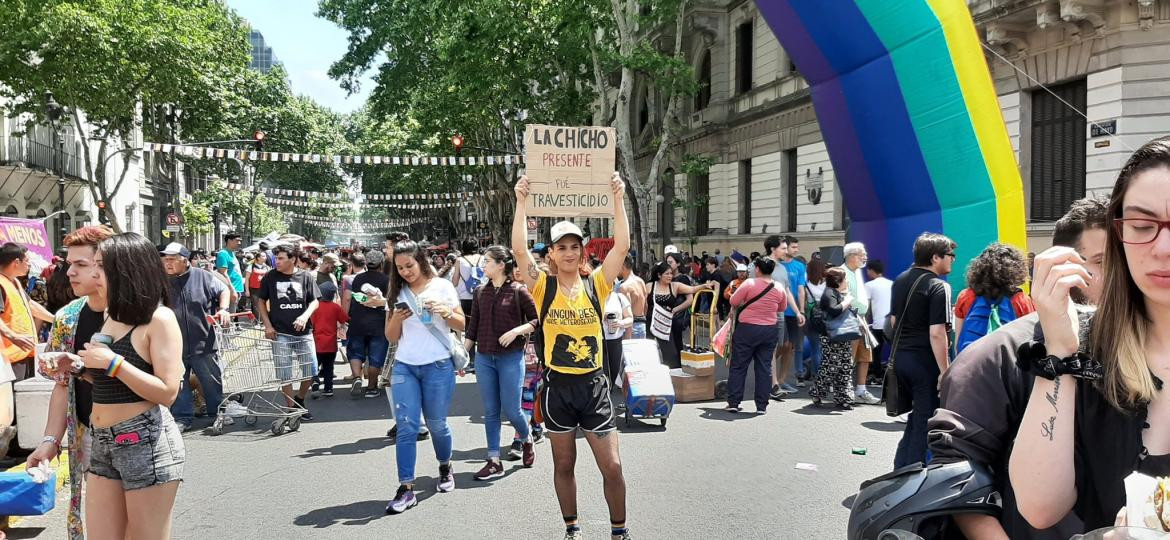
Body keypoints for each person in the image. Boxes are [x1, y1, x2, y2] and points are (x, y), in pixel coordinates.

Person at [1008, 138, 1170, 532]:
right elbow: (1039, 506)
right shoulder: (1085, 350)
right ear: (1118, 235)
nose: (1164, 248)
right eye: (1143, 225)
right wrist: (1060, 349)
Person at [927, 195, 1108, 539]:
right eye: (1102, 261)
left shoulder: (1139, 350)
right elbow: (956, 469)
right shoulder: (996, 355)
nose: (1122, 275)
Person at [512, 172, 634, 540]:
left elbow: (622, 248)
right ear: (550, 253)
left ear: (582, 251)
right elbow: (519, 251)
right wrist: (520, 200)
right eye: (561, 247)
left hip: (594, 386)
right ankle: (572, 527)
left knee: (612, 466)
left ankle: (620, 531)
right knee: (564, 464)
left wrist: (619, 197)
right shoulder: (543, 286)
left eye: (574, 246)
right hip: (558, 389)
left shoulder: (597, 283)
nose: (568, 252)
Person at [74, 233, 185, 539]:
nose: (95, 273)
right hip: (102, 441)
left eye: (101, 266)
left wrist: (113, 363)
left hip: (144, 440)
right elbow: (112, 382)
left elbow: (167, 391)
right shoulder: (110, 315)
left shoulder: (159, 318)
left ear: (127, 271)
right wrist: (79, 369)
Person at [25, 225, 114, 539]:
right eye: (67, 264)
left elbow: (163, 386)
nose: (69, 273)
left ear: (106, 263)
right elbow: (63, 385)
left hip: (137, 435)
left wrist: (87, 367)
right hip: (88, 433)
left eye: (80, 264)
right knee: (102, 524)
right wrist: (50, 441)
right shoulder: (67, 317)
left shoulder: (138, 312)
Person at [383, 240, 465, 514]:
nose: (405, 272)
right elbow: (391, 337)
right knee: (406, 427)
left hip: (438, 366)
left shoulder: (442, 286)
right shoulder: (397, 290)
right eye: (400, 268)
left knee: (437, 424)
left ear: (422, 260)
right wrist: (397, 318)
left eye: (409, 265)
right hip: (405, 366)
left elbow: (463, 323)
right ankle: (406, 488)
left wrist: (445, 312)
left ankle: (445, 465)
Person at [465, 245, 539, 479]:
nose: (483, 265)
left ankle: (526, 438)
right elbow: (472, 328)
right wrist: (463, 355)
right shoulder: (479, 292)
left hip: (511, 358)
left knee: (512, 409)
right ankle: (493, 459)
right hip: (485, 357)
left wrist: (517, 331)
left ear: (500, 265)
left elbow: (537, 320)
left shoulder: (518, 291)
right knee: (491, 411)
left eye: (487, 261)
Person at [889, 233, 955, 468]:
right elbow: (937, 332)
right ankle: (910, 475)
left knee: (916, 417)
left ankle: (901, 466)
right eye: (950, 255)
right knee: (926, 420)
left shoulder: (900, 279)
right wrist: (945, 370)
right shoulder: (940, 286)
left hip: (900, 358)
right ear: (935, 257)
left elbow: (894, 322)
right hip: (924, 361)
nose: (953, 260)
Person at [159, 242, 239, 432]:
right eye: (164, 259)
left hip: (203, 341)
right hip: (173, 344)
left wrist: (223, 309)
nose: (167, 263)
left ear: (184, 260)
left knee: (211, 380)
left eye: (171, 259)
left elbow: (224, 290)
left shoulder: (203, 276)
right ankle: (182, 417)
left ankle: (217, 412)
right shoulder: (160, 280)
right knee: (179, 383)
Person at [0, 242, 55, 457]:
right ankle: (11, 449)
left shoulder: (13, 283)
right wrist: (13, 336)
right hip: (10, 355)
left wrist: (57, 319)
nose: (29, 265)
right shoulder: (2, 284)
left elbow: (31, 306)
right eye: (27, 261)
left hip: (24, 353)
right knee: (10, 404)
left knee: (22, 401)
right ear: (16, 262)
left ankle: (19, 445)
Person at [255, 244, 321, 420]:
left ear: (292, 259)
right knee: (285, 373)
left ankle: (300, 399)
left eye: (282, 258)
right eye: (276, 258)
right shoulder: (270, 277)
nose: (277, 261)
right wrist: (267, 325)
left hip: (303, 332)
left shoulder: (305, 276)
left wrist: (305, 316)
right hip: (280, 332)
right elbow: (261, 301)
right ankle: (292, 409)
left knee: (311, 371)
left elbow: (315, 301)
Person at [724, 257, 788, 414]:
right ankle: (761, 405)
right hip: (769, 329)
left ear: (758, 269)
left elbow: (733, 300)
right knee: (764, 367)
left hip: (747, 329)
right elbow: (782, 307)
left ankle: (734, 402)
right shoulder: (778, 287)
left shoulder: (749, 283)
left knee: (739, 366)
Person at [953, 243, 1035, 355]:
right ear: (1015, 270)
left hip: (972, 364)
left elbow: (959, 339)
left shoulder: (965, 296)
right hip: (1007, 365)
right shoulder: (1021, 300)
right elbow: (1029, 336)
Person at [646, 261, 715, 369]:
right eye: (667, 274)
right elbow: (643, 304)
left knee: (671, 355)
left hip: (666, 325)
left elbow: (692, 289)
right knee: (649, 353)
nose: (670, 276)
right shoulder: (650, 286)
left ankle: (672, 379)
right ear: (659, 275)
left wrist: (703, 286)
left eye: (671, 273)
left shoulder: (675, 286)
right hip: (650, 323)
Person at [809, 267, 858, 409]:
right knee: (832, 366)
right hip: (830, 335)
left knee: (845, 365)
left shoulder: (836, 292)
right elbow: (834, 310)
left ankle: (844, 398)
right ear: (838, 281)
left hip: (841, 334)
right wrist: (847, 301)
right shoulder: (829, 293)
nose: (847, 282)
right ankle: (817, 391)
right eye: (844, 279)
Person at [346, 249, 391, 398]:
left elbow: (351, 299)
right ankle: (372, 387)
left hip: (358, 321)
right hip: (378, 323)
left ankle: (357, 377)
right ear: (381, 263)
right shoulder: (386, 280)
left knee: (355, 352)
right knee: (376, 356)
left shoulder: (358, 279)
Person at [839, 242, 878, 404]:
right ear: (852, 256)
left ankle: (861, 390)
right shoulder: (842, 272)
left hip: (862, 319)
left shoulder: (857, 271)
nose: (865, 257)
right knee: (849, 356)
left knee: (865, 355)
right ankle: (845, 390)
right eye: (862, 254)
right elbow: (841, 297)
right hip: (850, 319)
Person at [777, 236, 808, 393]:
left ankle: (782, 380)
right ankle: (768, 373)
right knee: (781, 345)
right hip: (779, 311)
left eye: (797, 247)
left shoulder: (799, 266)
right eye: (793, 247)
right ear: (785, 247)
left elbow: (801, 289)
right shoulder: (777, 265)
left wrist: (801, 310)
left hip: (794, 313)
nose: (796, 250)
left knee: (790, 347)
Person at [310, 282, 347, 397]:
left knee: (314, 365)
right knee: (328, 367)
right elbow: (344, 319)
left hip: (316, 342)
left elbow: (311, 322)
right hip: (331, 343)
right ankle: (328, 388)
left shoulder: (314, 306)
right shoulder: (335, 307)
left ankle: (315, 381)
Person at [801, 258, 828, 386]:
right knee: (824, 349)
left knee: (814, 348)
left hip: (810, 319)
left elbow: (804, 303)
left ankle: (816, 376)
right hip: (825, 319)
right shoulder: (827, 284)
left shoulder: (805, 285)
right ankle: (823, 376)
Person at [864, 260, 893, 375]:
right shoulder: (891, 283)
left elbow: (867, 307)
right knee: (894, 349)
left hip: (878, 323)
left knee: (876, 350)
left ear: (871, 270)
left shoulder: (869, 285)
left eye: (868, 270)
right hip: (891, 322)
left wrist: (865, 323)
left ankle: (877, 374)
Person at [618, 257, 648, 339]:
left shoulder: (624, 287)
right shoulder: (640, 281)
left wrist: (628, 337)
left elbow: (628, 315)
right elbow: (645, 306)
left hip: (631, 329)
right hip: (642, 325)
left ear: (623, 266)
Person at [216, 233, 245, 312]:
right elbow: (223, 273)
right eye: (237, 241)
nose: (239, 243)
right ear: (229, 240)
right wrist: (232, 290)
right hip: (230, 290)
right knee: (228, 316)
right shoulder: (223, 254)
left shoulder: (232, 253)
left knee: (232, 315)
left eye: (240, 241)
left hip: (237, 288)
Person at [247, 253, 270, 322]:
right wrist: (247, 290)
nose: (265, 257)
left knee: (265, 305)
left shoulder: (267, 267)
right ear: (258, 258)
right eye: (263, 256)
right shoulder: (251, 266)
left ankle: (265, 321)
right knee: (256, 306)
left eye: (265, 256)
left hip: (264, 289)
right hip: (254, 289)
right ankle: (258, 321)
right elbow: (247, 279)